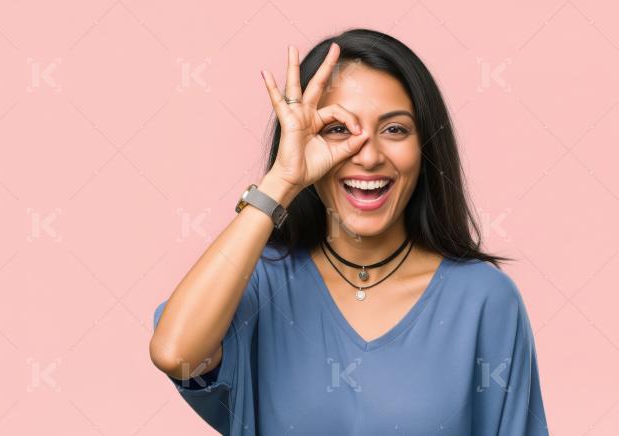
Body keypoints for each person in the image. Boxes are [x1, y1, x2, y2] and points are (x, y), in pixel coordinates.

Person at [149, 28, 549, 435]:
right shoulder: (258, 285)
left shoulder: (484, 299)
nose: (370, 156)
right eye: (338, 129)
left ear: (425, 147)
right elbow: (174, 352)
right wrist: (282, 181)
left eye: (394, 129)